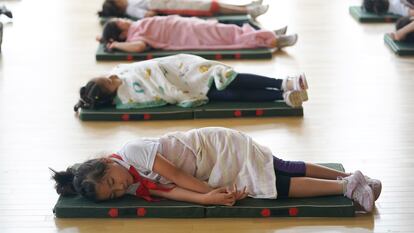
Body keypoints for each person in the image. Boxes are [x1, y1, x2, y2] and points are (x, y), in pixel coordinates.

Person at [50, 127, 382, 212]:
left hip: (215, 148)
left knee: (273, 179)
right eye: (115, 194)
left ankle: (346, 185)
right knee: (276, 171)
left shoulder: (132, 152)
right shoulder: (132, 183)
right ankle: (352, 179)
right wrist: (207, 199)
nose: (121, 189)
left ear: (108, 162)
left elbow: (177, 177)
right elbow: (173, 192)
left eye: (113, 182)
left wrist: (208, 192)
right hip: (210, 169)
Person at [73, 54, 308, 111]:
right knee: (230, 94)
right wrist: (178, 94)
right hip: (183, 87)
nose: (113, 78)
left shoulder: (119, 71)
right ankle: (283, 97)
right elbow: (155, 91)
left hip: (183, 69)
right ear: (110, 93)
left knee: (230, 78)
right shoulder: (127, 98)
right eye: (110, 82)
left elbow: (153, 66)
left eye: (109, 76)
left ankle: (283, 82)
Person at [97, 15, 297, 53]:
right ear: (121, 31)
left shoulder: (135, 26)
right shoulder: (133, 38)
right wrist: (115, 45)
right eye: (120, 22)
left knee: (227, 29)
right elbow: (138, 47)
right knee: (229, 36)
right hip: (188, 36)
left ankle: (267, 34)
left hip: (187, 25)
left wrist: (105, 39)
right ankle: (273, 40)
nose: (124, 20)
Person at [98, 0, 269, 20]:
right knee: (212, 6)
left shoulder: (130, 2)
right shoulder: (131, 10)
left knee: (212, 2)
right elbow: (148, 15)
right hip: (173, 7)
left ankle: (248, 7)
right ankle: (247, 11)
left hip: (172, 2)